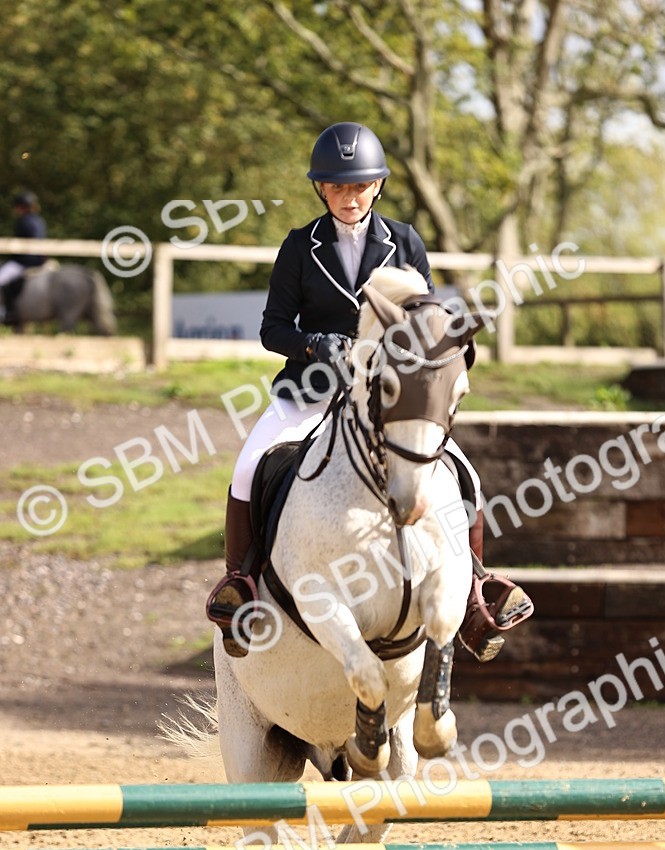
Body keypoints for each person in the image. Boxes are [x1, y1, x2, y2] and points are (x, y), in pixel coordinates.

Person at [206, 122, 533, 660]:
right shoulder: (298, 246)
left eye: (358, 187)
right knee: (249, 464)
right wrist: (315, 344)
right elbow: (273, 328)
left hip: (388, 397)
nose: (348, 197)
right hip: (311, 390)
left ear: (376, 186)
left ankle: (474, 592)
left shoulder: (404, 242)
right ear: (321, 190)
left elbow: (428, 322)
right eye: (336, 187)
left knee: (464, 473)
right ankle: (240, 583)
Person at [0, 191, 47, 325]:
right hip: (40, 260)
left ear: (21, 207)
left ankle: (6, 311)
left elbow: (20, 246)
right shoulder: (39, 220)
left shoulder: (23, 221)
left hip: (24, 261)